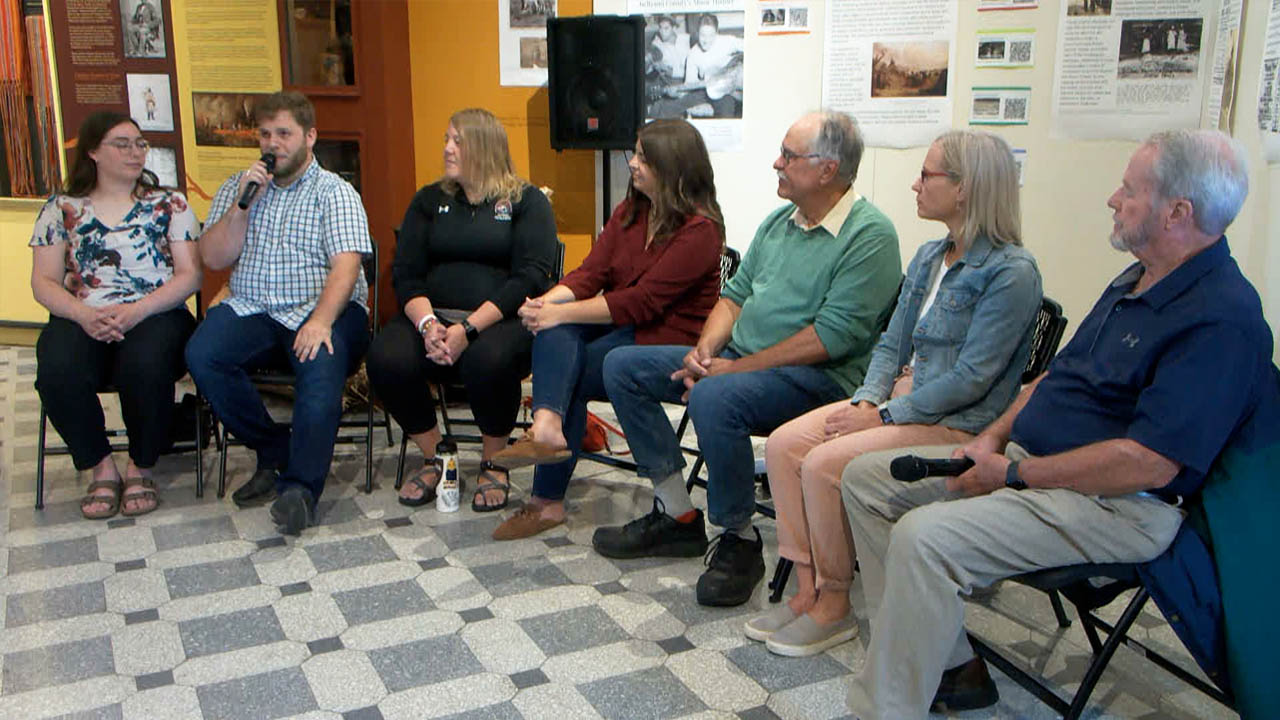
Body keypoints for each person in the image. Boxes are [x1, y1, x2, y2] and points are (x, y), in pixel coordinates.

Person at [840, 129, 1266, 720]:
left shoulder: (1223, 318)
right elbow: (1053, 379)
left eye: (1129, 190)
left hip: (1119, 506)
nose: (1113, 200)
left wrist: (1013, 473)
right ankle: (947, 664)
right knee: (865, 480)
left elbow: (1147, 463)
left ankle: (884, 708)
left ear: (1178, 212)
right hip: (1028, 468)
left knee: (924, 537)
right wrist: (990, 439)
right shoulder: (1136, 280)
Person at [750, 130, 1042, 656]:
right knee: (783, 445)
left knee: (821, 464)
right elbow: (891, 343)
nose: (915, 184)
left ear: (965, 188)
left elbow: (972, 379)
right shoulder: (931, 256)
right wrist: (867, 402)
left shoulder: (1011, 273)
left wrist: (883, 415)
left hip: (958, 422)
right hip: (901, 402)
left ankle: (835, 605)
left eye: (927, 174)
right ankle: (807, 588)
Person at [594, 111, 902, 607]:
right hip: (740, 361)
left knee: (716, 396)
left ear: (827, 169)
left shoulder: (870, 237)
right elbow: (733, 297)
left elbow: (831, 338)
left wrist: (732, 370)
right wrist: (706, 350)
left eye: (789, 156)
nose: (776, 163)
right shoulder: (780, 222)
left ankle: (739, 537)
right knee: (623, 366)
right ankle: (677, 514)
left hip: (820, 380)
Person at [489, 119, 724, 540]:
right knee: (555, 332)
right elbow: (591, 272)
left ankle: (547, 493)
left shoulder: (701, 231)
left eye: (642, 158)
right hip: (622, 328)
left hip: (667, 339)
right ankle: (548, 429)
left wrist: (563, 313)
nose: (632, 164)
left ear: (672, 168)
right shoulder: (631, 212)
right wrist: (551, 302)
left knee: (569, 361)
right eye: (634, 154)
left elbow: (643, 301)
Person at [185, 91, 372, 535]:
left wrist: (321, 321)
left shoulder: (335, 192)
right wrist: (242, 207)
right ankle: (273, 448)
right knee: (202, 354)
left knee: (320, 366)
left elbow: (347, 268)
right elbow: (212, 258)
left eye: (284, 134)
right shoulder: (239, 187)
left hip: (323, 306)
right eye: (266, 134)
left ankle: (300, 491)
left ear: (310, 137)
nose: (273, 144)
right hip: (254, 305)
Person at [364, 108, 558, 512]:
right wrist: (429, 324)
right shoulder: (429, 201)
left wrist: (468, 329)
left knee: (488, 360)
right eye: (446, 139)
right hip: (434, 317)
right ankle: (437, 456)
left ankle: (494, 462)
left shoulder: (526, 201)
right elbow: (407, 273)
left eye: (458, 141)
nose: (447, 148)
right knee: (386, 357)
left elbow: (530, 277)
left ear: (484, 148)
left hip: (500, 321)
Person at [30, 111, 201, 519]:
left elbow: (190, 275)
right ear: (92, 152)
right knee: (56, 369)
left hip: (155, 312)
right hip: (83, 314)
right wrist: (84, 316)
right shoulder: (61, 209)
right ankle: (99, 464)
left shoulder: (169, 203)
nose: (135, 152)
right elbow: (44, 282)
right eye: (121, 144)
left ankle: (140, 466)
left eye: (139, 143)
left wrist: (135, 311)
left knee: (144, 365)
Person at [650, 14, 743, 119]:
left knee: (725, 115)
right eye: (703, 35)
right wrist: (678, 92)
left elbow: (751, 46)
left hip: (727, 93)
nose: (706, 40)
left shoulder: (727, 42)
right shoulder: (693, 54)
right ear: (697, 33)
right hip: (704, 90)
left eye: (711, 35)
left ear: (717, 33)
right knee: (668, 107)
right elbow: (690, 83)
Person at [649, 15, 689, 82]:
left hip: (688, 78)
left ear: (674, 28)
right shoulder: (657, 45)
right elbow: (649, 68)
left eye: (666, 28)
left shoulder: (685, 39)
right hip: (670, 82)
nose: (662, 31)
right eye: (660, 28)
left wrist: (669, 70)